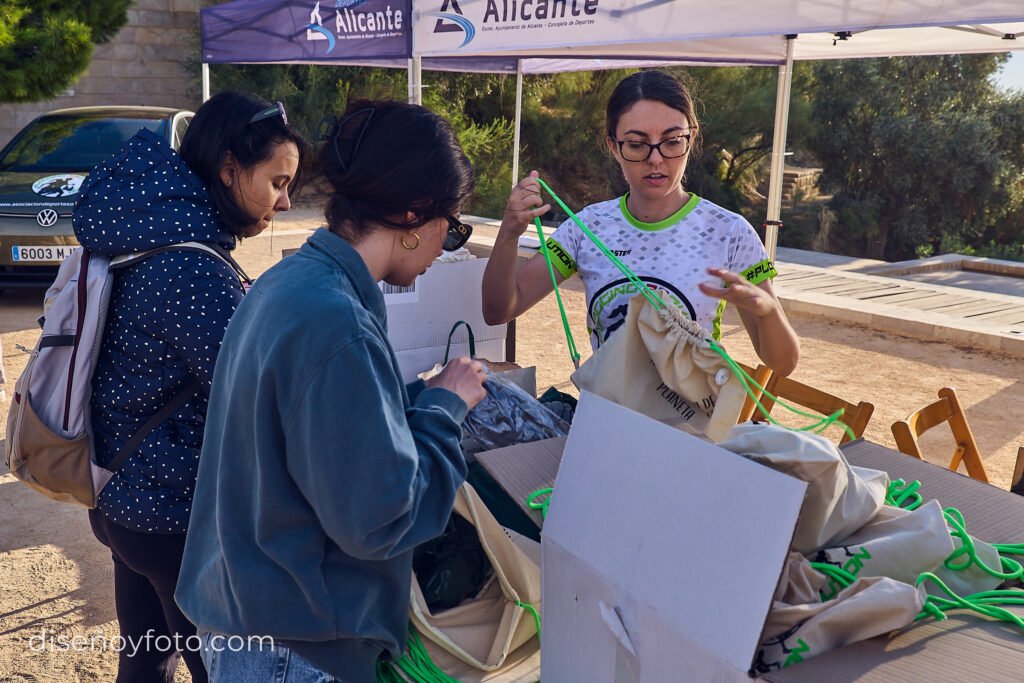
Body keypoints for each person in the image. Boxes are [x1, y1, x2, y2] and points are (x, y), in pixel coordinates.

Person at [175, 100, 488, 683]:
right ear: (416, 219)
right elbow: (380, 521)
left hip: (248, 615)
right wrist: (445, 408)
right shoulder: (337, 323)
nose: (451, 243)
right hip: (295, 646)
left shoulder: (291, 282)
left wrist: (406, 404)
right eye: (454, 228)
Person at [72, 91, 305, 683]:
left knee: (144, 663)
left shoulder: (150, 225)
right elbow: (256, 397)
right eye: (276, 183)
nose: (285, 201)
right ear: (229, 169)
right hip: (171, 515)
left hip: (123, 495)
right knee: (221, 672)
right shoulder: (193, 267)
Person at [483, 69, 800, 376]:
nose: (656, 159)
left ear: (692, 137)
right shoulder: (588, 227)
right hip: (607, 418)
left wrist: (769, 313)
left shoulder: (729, 232)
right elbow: (499, 311)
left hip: (690, 428)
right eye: (636, 144)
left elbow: (783, 364)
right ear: (613, 146)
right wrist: (509, 233)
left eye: (672, 141)